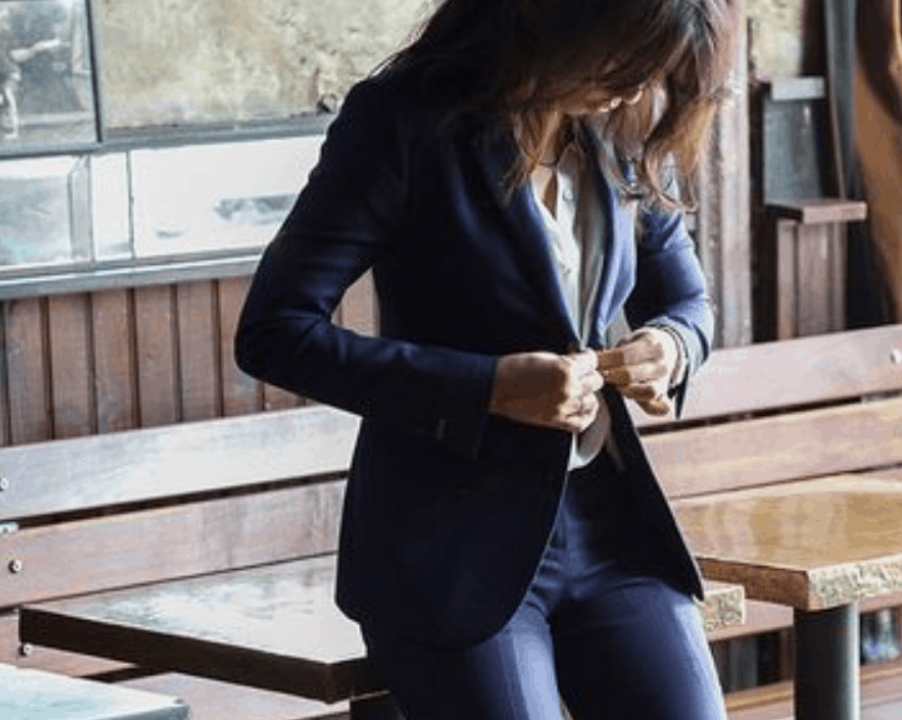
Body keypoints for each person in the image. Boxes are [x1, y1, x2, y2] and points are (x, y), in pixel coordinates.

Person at [234, 0, 738, 717]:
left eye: (649, 66)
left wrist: (672, 348)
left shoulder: (619, 124)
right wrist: (487, 387)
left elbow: (688, 301)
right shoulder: (403, 121)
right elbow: (275, 331)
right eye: (624, 55)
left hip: (611, 530)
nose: (636, 84)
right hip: (449, 548)